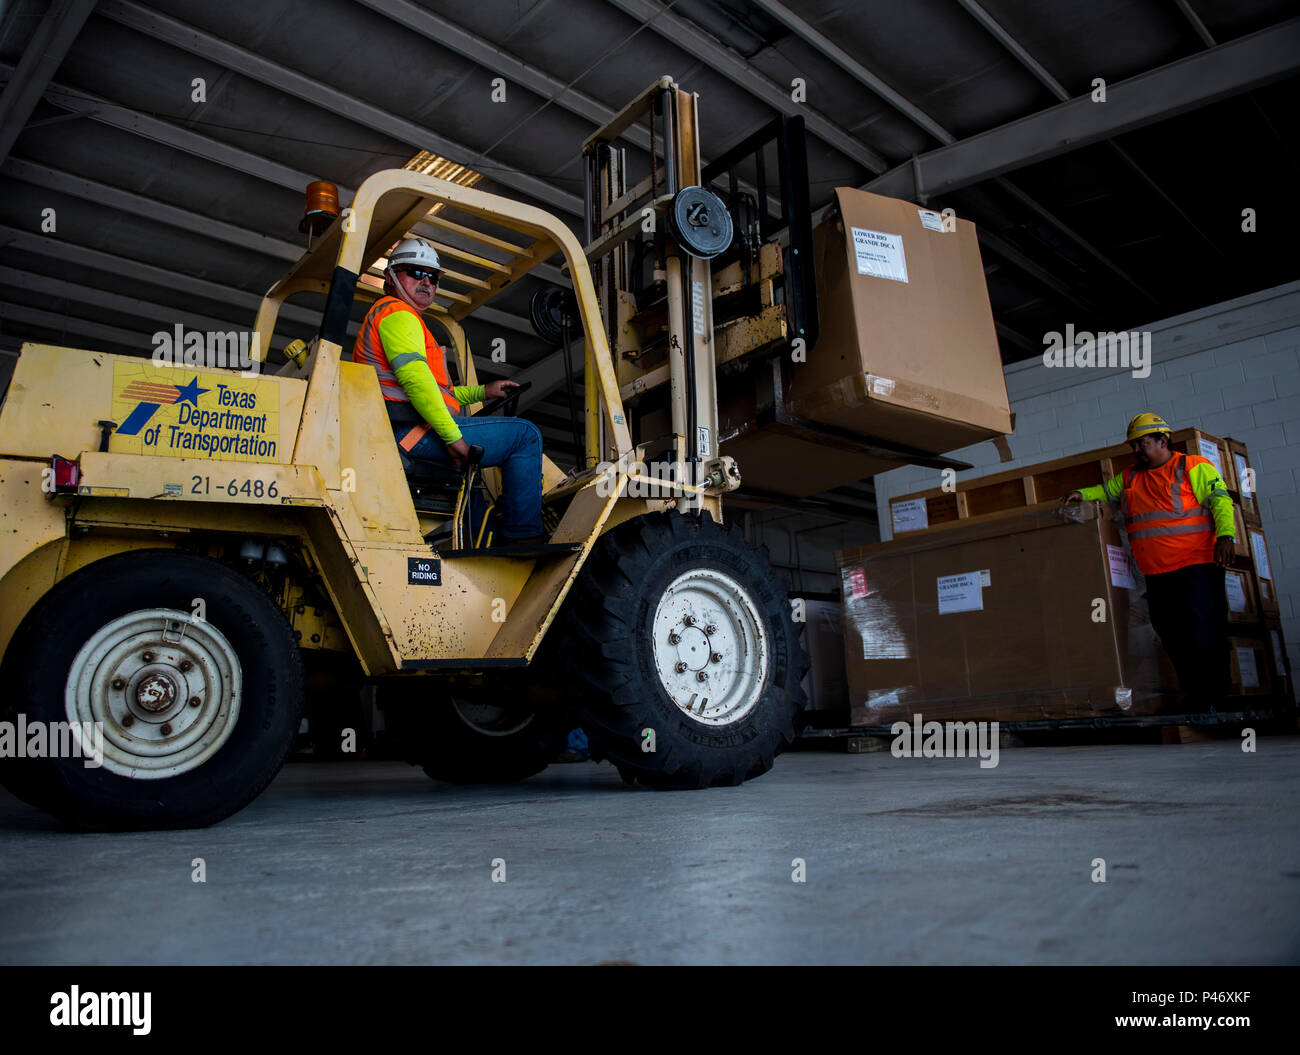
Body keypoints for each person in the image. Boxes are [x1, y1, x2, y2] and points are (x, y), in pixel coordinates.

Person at [353, 236, 545, 544]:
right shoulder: (398, 315)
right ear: (391, 276)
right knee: (526, 436)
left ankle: (483, 536)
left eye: (433, 277)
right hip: (411, 433)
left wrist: (484, 392)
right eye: (416, 272)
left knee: (483, 469)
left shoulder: (401, 319)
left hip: (408, 428)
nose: (426, 281)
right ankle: (524, 540)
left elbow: (437, 393)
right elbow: (418, 386)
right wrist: (455, 441)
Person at [1061, 413, 1235, 710]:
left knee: (1205, 632)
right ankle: (1195, 697)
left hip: (1197, 567)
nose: (1137, 451)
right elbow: (1105, 492)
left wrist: (1226, 536)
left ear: (1162, 441)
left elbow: (1220, 500)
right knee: (1173, 635)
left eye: (1142, 443)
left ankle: (1217, 698)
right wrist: (1081, 493)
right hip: (1158, 573)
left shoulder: (1193, 466)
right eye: (1134, 446)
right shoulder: (1130, 476)